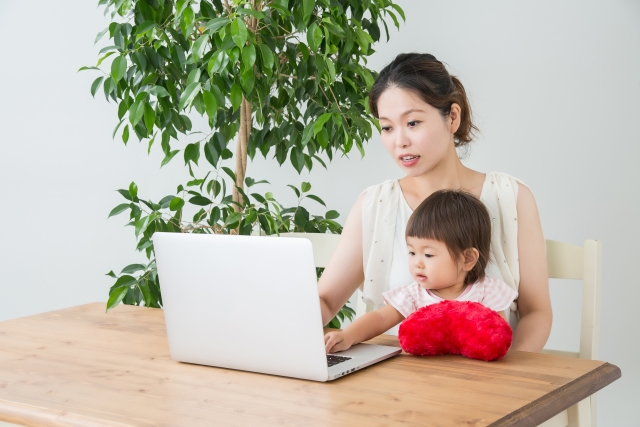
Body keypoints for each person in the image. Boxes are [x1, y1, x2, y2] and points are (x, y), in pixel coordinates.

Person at [318, 53, 552, 352]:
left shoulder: (511, 197)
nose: (399, 141)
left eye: (413, 122)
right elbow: (325, 300)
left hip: (488, 382)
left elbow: (537, 312)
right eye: (387, 127)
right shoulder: (375, 204)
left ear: (452, 117)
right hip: (391, 384)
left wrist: (505, 378)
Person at [324, 189, 518, 353]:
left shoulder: (487, 291)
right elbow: (381, 318)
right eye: (412, 252)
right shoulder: (414, 295)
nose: (417, 263)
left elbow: (497, 336)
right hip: (420, 378)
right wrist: (347, 336)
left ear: (467, 259)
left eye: (428, 255)